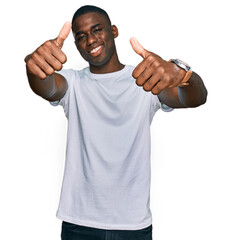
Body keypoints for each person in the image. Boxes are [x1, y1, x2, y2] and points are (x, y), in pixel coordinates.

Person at [25, 5, 207, 240]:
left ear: (114, 31)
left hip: (133, 225)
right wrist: (34, 66)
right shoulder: (73, 83)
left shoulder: (145, 80)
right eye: (80, 36)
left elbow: (196, 97)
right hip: (79, 223)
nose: (90, 40)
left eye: (97, 30)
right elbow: (46, 86)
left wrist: (182, 75)